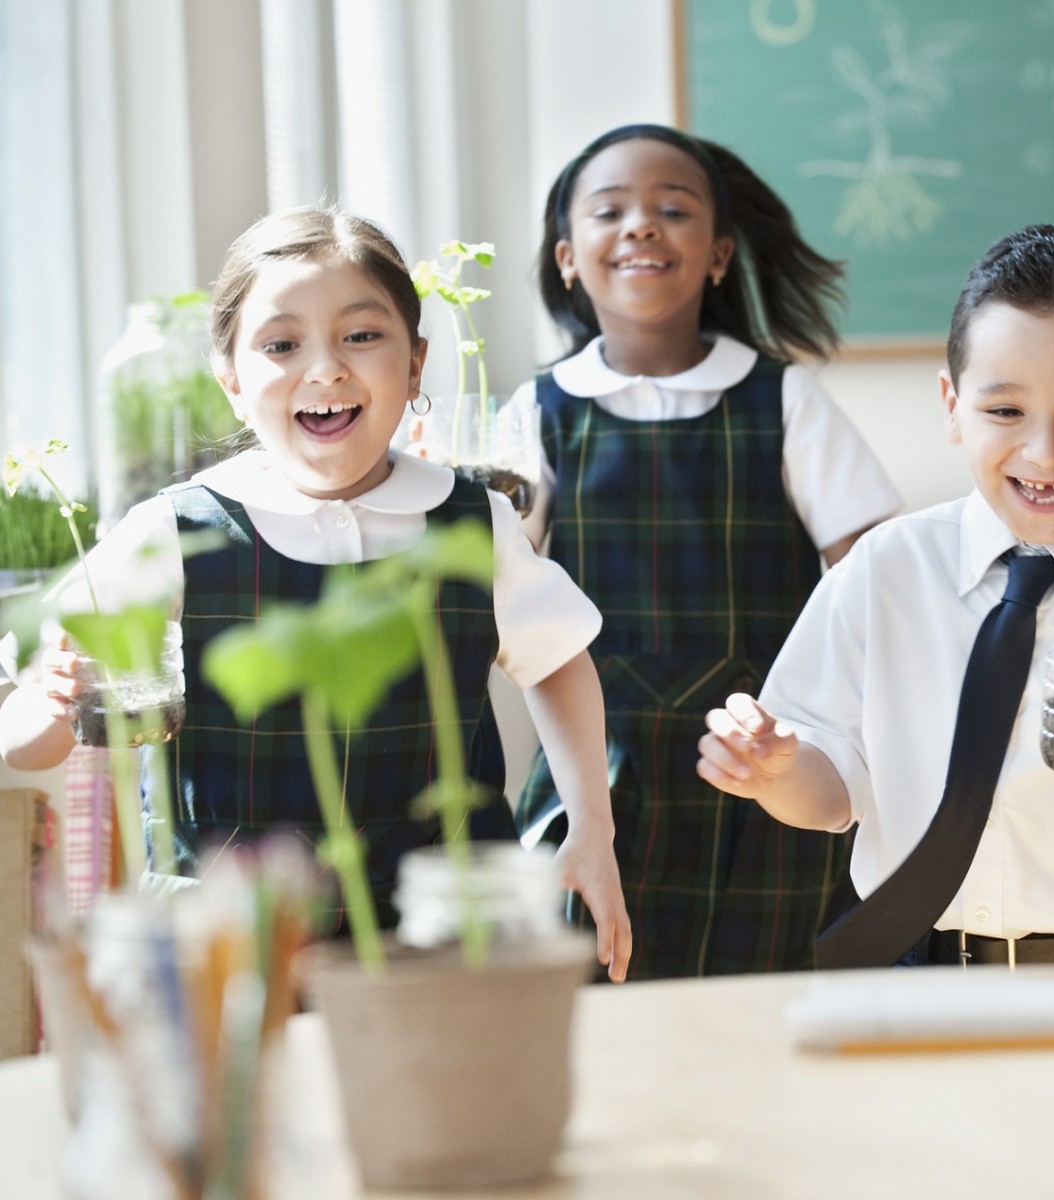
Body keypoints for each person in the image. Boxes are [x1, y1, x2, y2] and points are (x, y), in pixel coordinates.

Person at [0, 207, 632, 980]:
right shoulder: (175, 530)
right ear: (231, 383)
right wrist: (51, 703)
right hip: (230, 938)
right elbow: (28, 733)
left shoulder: (473, 523)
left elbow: (558, 658)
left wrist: (590, 831)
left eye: (361, 335)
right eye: (281, 345)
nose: (326, 367)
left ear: (415, 365)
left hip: (438, 925)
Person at [698, 225, 1054, 968]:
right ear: (952, 405)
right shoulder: (886, 571)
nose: (1045, 452)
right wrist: (775, 773)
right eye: (1005, 412)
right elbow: (832, 791)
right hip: (917, 973)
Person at [514, 124, 903, 979]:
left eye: (672, 210)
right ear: (569, 258)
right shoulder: (539, 412)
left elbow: (880, 582)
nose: (642, 227)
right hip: (597, 778)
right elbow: (495, 589)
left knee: (761, 1005)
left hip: (758, 767)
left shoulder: (784, 399)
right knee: (591, 998)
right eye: (610, 210)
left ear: (719, 254)